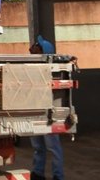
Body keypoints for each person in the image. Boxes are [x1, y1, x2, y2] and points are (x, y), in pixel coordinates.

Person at [28, 36, 65, 180]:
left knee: (53, 147)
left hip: (48, 113)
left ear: (42, 51)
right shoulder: (29, 66)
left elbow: (63, 59)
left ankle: (58, 176)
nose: (33, 46)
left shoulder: (50, 68)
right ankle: (38, 173)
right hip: (35, 111)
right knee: (38, 146)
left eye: (37, 45)